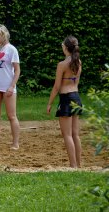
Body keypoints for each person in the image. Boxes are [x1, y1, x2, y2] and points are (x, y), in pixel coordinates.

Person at [47, 35, 82, 168]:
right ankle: (78, 165)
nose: (61, 46)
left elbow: (56, 86)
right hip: (76, 97)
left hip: (66, 98)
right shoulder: (78, 62)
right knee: (75, 134)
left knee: (67, 135)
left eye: (62, 44)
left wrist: (50, 103)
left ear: (66, 47)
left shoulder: (62, 64)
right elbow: (76, 83)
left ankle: (73, 166)